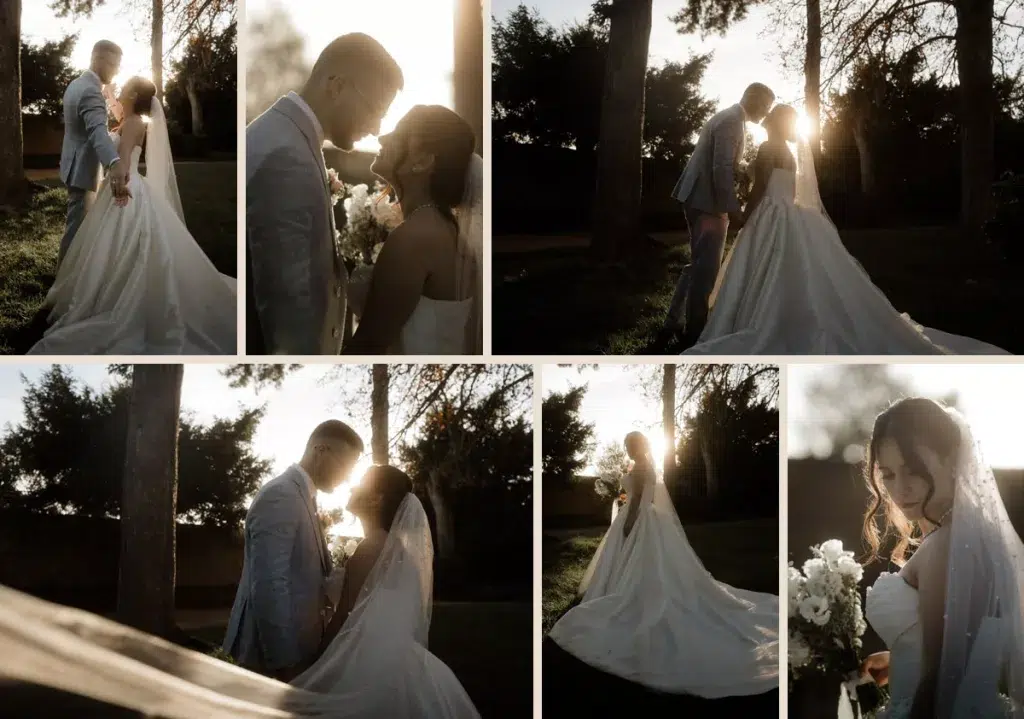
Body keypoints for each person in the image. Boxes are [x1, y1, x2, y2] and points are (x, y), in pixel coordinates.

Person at [680, 105, 1009, 355]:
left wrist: (745, 215)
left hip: (770, 212)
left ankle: (756, 319)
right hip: (790, 212)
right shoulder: (790, 154)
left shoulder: (769, 149)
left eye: (768, 121)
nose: (764, 124)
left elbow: (760, 189)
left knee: (766, 266)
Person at [547, 431, 778, 698]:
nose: (627, 449)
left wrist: (629, 522)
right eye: (626, 445)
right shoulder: (643, 464)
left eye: (629, 445)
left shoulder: (642, 466)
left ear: (637, 446)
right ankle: (623, 585)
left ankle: (625, 590)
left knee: (640, 560)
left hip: (638, 517)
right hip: (643, 515)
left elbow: (638, 499)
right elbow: (638, 494)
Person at [29, 76, 237, 355]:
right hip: (123, 183)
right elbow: (118, 115)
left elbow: (125, 157)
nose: (123, 88)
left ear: (135, 94)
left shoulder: (134, 123)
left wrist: (119, 185)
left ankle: (111, 294)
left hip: (124, 185)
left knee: (119, 240)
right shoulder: (130, 119)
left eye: (127, 86)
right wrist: (109, 94)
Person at [854, 399, 1024, 718]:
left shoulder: (947, 544)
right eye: (888, 475)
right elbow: (963, 643)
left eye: (913, 471)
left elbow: (943, 677)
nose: (900, 489)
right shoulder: (966, 535)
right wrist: (901, 658)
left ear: (951, 458)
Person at [246, 33, 403, 354]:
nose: (376, 128)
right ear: (337, 86)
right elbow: (287, 303)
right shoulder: (287, 156)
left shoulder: (288, 137)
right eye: (375, 109)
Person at [223, 420, 364, 681]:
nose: (346, 479)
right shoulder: (281, 495)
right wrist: (285, 663)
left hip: (300, 648)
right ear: (320, 450)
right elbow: (269, 584)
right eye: (345, 467)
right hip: (268, 659)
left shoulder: (303, 497)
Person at [342, 105, 483, 355]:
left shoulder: (414, 238)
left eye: (398, 135)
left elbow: (368, 345)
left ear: (423, 161)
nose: (382, 138)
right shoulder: (441, 227)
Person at [661, 83, 776, 349]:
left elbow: (727, 164)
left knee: (698, 264)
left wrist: (747, 169)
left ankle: (673, 321)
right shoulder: (732, 120)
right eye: (765, 105)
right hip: (707, 202)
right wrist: (733, 209)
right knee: (707, 270)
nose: (765, 113)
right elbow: (720, 169)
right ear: (752, 98)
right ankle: (695, 333)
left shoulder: (730, 118)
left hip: (699, 198)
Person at [57, 40, 132, 270]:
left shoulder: (76, 84)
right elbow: (96, 132)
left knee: (77, 224)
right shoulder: (91, 91)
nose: (116, 70)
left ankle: (70, 273)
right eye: (113, 64)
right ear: (98, 59)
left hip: (72, 163)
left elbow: (84, 128)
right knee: (77, 229)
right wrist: (115, 162)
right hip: (82, 168)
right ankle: (64, 278)